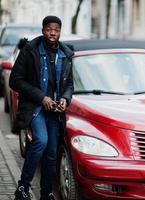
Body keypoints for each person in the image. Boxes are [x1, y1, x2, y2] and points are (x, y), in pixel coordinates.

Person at [10, 16, 74, 200]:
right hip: (35, 107)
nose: (52, 32)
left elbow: (69, 84)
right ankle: (22, 188)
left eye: (56, 29)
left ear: (60, 31)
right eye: (48, 29)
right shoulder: (30, 51)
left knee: (52, 153)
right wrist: (41, 97)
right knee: (41, 142)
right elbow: (15, 80)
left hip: (55, 110)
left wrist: (64, 98)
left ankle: (46, 193)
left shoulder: (66, 54)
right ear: (43, 30)